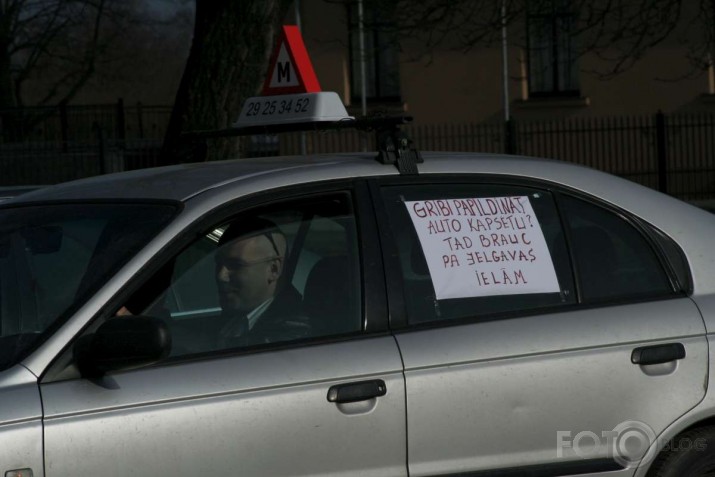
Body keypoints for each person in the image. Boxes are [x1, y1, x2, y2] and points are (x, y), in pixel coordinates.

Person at [214, 216, 310, 347]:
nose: (221, 276)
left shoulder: (289, 339)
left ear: (273, 270)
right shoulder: (241, 316)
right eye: (218, 263)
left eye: (235, 265)